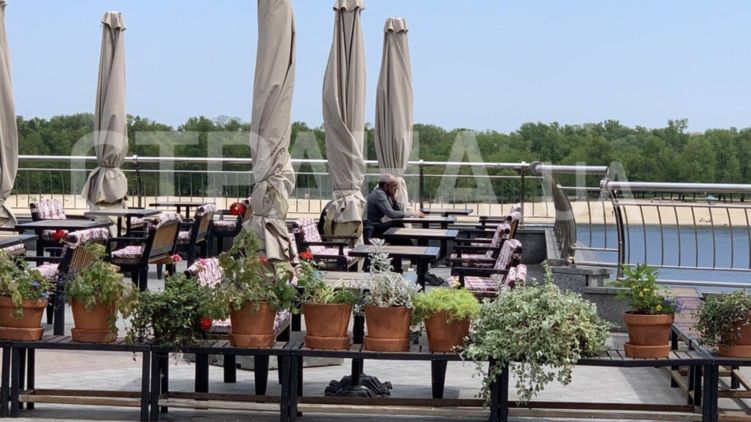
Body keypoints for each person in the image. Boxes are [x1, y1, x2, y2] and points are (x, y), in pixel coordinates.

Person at [363, 174, 424, 271]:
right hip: (372, 229)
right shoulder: (379, 195)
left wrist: (393, 197)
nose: (396, 188)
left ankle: (402, 264)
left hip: (376, 227)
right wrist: (412, 213)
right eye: (394, 186)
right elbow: (391, 214)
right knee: (396, 226)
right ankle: (415, 257)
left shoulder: (384, 194)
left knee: (397, 237)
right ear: (386, 186)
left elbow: (397, 211)